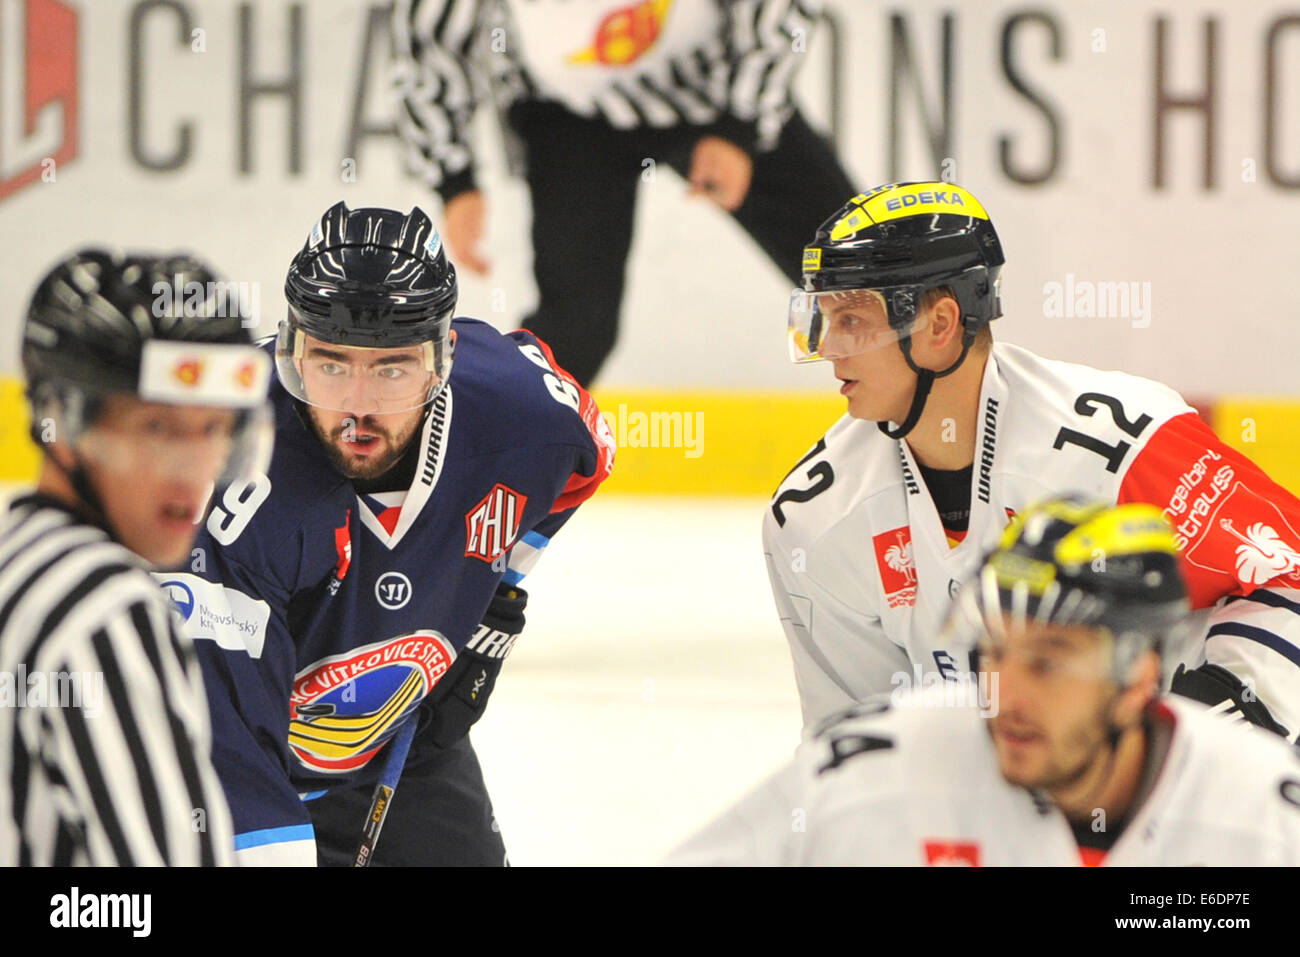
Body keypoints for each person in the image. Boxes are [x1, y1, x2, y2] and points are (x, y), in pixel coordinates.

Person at [765, 181, 1300, 739]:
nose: (827, 346)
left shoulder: (1123, 442)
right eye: (823, 318)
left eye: (851, 319)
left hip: (1179, 796)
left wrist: (1219, 724)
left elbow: (1291, 572)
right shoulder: (813, 519)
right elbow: (858, 748)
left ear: (941, 325)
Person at [178, 200, 615, 865]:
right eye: (331, 364)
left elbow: (583, 460)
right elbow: (225, 739)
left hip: (399, 751)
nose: (358, 402)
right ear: (294, 348)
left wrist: (498, 591)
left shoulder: (522, 413)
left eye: (391, 369)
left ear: (441, 360)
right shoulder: (239, 469)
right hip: (216, 767)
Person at [669, 498, 1300, 865]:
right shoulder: (871, 775)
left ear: (1137, 675)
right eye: (996, 653)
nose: (1007, 692)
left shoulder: (1261, 816)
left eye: (1050, 661)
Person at [393, 0, 858, 385]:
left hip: (713, 86)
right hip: (568, 111)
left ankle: (924, 431)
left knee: (856, 269)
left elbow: (780, 8)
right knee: (574, 329)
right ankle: (495, 466)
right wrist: (453, 180)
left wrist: (741, 125)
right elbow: (429, 43)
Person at [1, 249, 272, 865]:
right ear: (62, 420)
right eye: (158, 428)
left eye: (214, 430)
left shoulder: (17, 565)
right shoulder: (103, 608)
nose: (196, 469)